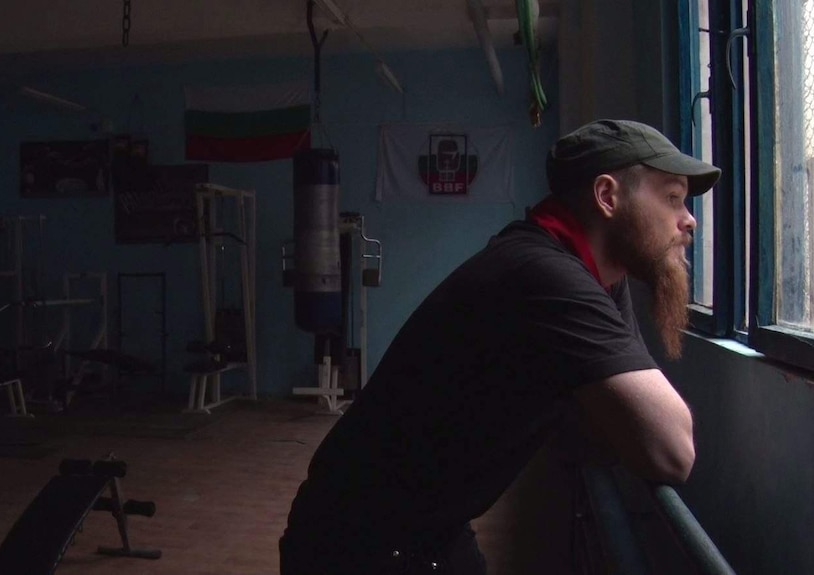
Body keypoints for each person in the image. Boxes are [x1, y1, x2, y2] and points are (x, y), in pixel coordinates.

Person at [279, 119, 721, 575]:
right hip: (357, 540)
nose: (688, 219)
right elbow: (672, 450)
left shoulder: (590, 274)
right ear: (607, 196)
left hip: (427, 525)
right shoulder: (546, 275)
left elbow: (607, 430)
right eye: (671, 198)